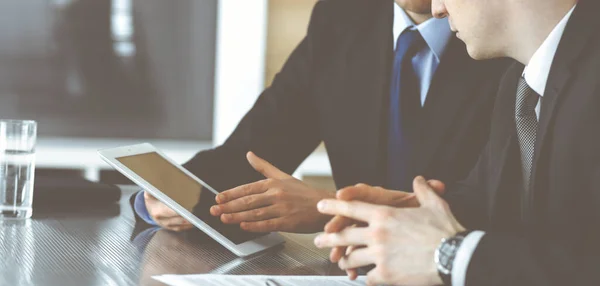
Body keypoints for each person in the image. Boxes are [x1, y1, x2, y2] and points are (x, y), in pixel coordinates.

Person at [314, 0, 600, 286]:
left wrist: (451, 255)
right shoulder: (517, 82)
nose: (437, 9)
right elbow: (486, 201)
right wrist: (404, 221)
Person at [134, 0, 508, 233]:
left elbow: (503, 204)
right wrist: (171, 194)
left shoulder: (508, 39)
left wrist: (328, 207)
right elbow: (253, 153)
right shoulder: (341, 17)